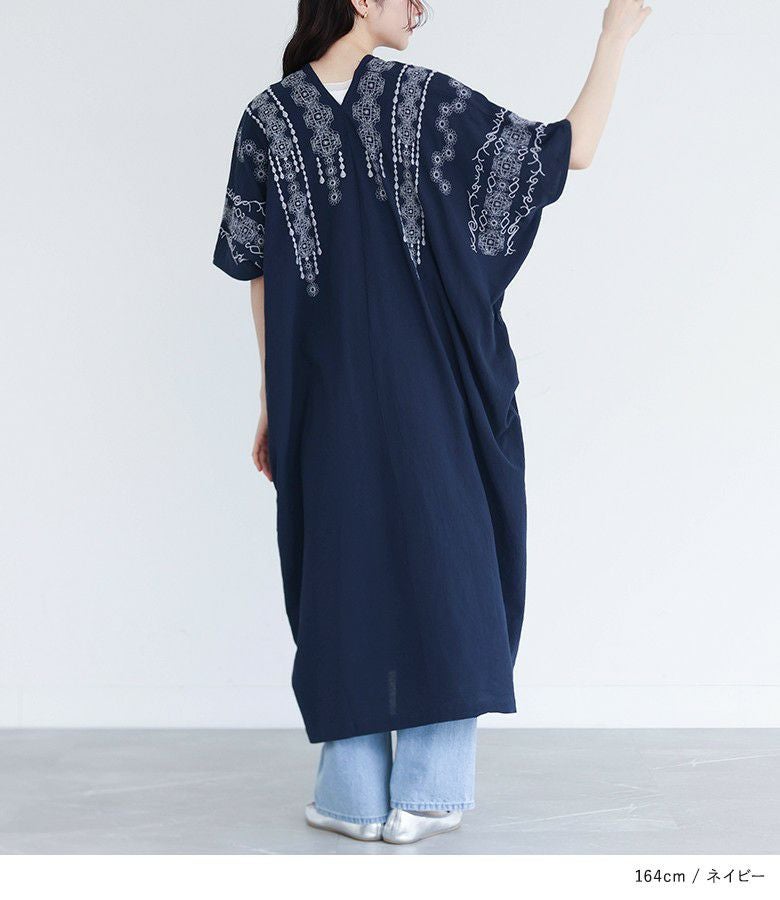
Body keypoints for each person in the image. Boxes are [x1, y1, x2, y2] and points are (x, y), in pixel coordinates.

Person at [212, 0, 651, 844]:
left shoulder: (266, 120)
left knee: (339, 568)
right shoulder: (424, 102)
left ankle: (350, 796)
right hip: (433, 389)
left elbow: (257, 268)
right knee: (451, 563)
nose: (421, 7)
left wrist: (273, 397)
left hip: (322, 392)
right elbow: (572, 149)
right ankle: (429, 791)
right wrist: (616, 35)